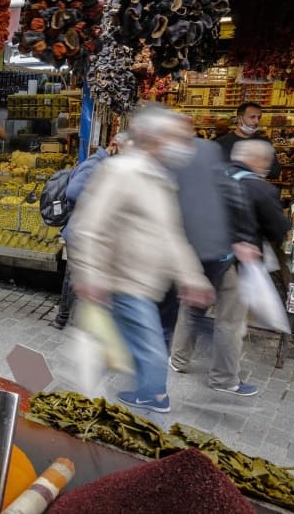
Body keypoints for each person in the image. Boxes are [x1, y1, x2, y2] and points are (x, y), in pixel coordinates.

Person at [68, 105, 214, 413]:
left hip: (146, 284)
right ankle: (148, 401)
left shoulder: (160, 178)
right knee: (149, 352)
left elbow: (170, 234)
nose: (182, 145)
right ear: (150, 136)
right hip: (121, 282)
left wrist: (191, 277)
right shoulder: (121, 171)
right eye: (174, 137)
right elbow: (89, 226)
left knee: (116, 350)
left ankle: (100, 401)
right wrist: (89, 276)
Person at [167, 130, 260, 396]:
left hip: (198, 260)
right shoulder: (223, 180)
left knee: (192, 309)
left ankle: (178, 360)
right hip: (219, 260)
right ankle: (224, 379)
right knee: (229, 320)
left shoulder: (181, 183)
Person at [52, 132, 131, 330]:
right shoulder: (95, 163)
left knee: (76, 276)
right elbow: (72, 192)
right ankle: (69, 320)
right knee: (75, 277)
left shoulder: (107, 165)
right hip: (80, 230)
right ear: (114, 146)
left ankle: (64, 318)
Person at [226, 140, 292, 261]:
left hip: (213, 251)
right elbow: (277, 231)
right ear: (257, 159)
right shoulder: (262, 189)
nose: (268, 166)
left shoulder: (219, 175)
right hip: (244, 255)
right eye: (267, 160)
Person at [216, 102, 279, 179]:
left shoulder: (264, 142)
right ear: (239, 119)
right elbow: (214, 171)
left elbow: (275, 171)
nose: (256, 122)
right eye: (252, 117)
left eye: (259, 118)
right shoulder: (221, 143)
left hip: (254, 188)